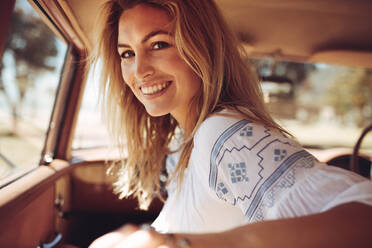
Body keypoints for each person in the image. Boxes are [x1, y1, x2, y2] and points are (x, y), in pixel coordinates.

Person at [88, 0, 372, 247]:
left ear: (202, 49)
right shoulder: (181, 146)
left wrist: (185, 244)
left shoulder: (223, 135)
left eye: (159, 44)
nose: (140, 70)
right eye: (127, 53)